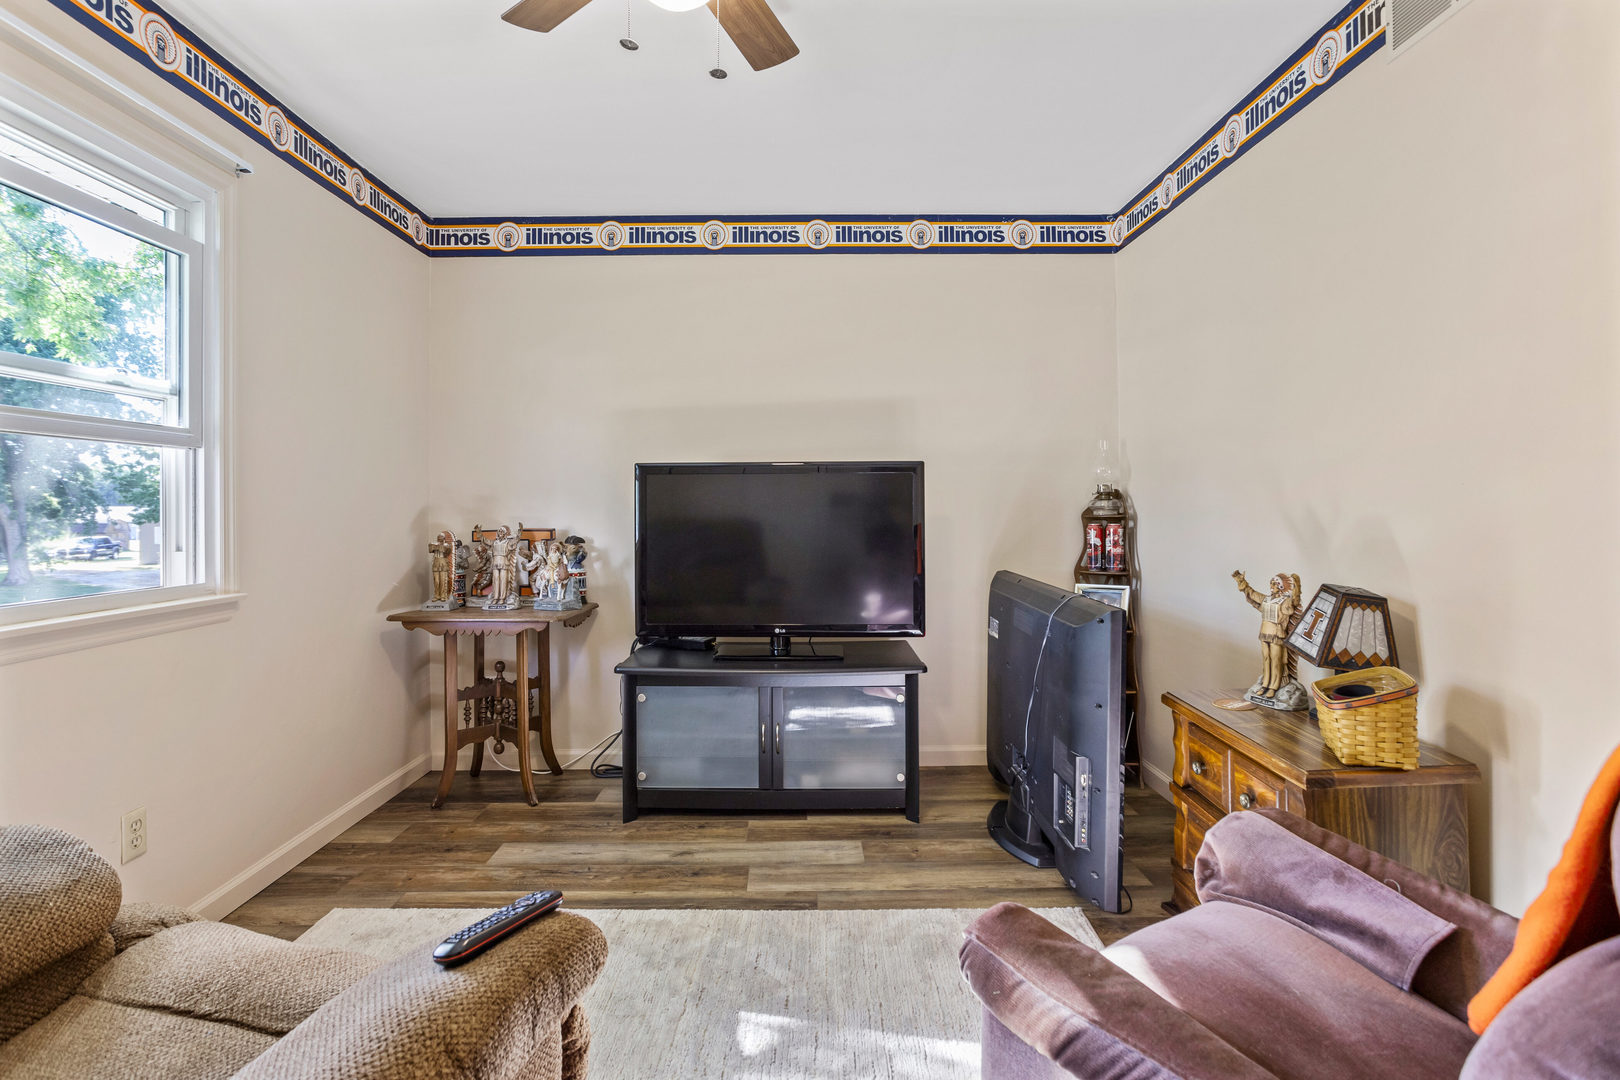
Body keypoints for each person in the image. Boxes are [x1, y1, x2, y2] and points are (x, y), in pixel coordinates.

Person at [1232, 570, 1303, 699]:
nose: (1271, 586)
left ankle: (1274, 687)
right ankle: (1265, 684)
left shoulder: (1285, 601)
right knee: (1266, 660)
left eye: (1274, 584)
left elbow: (1295, 602)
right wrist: (1242, 582)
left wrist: (1297, 585)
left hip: (1277, 635)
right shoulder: (1267, 599)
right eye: (1271, 583)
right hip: (1264, 633)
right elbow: (1252, 594)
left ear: (1280, 587)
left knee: (1276, 661)